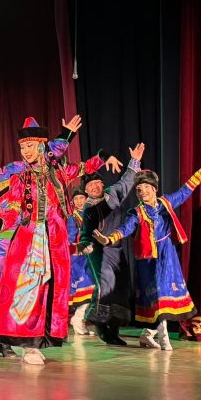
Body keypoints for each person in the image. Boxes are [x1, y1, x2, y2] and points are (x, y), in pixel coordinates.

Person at [0, 117, 121, 365]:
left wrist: (106, 156)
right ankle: (27, 346)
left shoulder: (59, 172)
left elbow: (85, 166)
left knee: (50, 291)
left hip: (55, 240)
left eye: (30, 146)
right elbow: (13, 212)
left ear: (41, 145)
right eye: (22, 147)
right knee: (29, 289)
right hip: (30, 240)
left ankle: (38, 341)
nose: (25, 151)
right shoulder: (20, 178)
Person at [92, 167, 201, 350]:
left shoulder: (166, 203)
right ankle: (164, 337)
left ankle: (147, 335)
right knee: (157, 298)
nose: (142, 192)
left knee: (165, 296)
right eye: (138, 189)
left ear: (154, 188)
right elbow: (126, 228)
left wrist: (200, 173)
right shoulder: (137, 213)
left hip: (167, 255)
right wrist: (109, 238)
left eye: (145, 187)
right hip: (148, 260)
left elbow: (184, 192)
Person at [76, 142, 144, 345]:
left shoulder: (112, 193)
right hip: (98, 252)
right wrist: (85, 245)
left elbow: (127, 181)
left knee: (121, 288)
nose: (95, 187)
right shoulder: (89, 209)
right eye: (90, 186)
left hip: (116, 248)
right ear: (86, 190)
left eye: (97, 183)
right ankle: (100, 326)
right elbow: (86, 233)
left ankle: (113, 331)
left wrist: (135, 161)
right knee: (106, 286)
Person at [67, 188, 94, 335]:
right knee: (86, 288)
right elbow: (70, 239)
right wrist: (81, 247)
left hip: (90, 256)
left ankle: (79, 320)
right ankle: (77, 319)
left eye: (81, 198)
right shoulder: (72, 219)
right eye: (76, 199)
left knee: (93, 290)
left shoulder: (91, 214)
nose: (79, 201)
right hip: (78, 259)